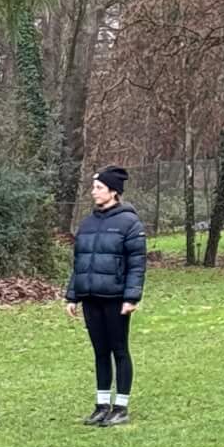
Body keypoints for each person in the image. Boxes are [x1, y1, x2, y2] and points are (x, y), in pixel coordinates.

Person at [65, 165, 147, 425]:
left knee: (119, 350)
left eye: (99, 187)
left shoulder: (130, 223)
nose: (93, 192)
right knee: (100, 351)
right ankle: (101, 406)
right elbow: (80, 262)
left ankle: (120, 407)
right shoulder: (87, 223)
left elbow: (137, 264)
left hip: (116, 299)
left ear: (113, 192)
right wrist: (72, 296)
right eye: (94, 187)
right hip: (91, 297)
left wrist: (131, 298)